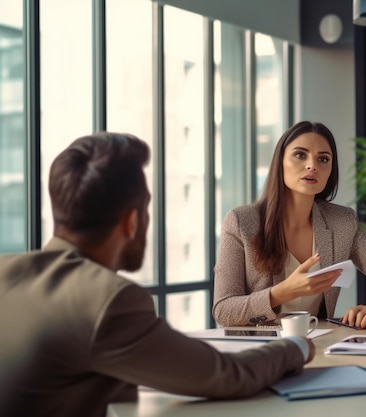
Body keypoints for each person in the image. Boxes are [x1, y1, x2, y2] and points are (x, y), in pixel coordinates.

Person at [0, 133, 314, 417]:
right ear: (131, 221)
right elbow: (228, 375)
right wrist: (297, 346)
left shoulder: (6, 271)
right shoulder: (108, 301)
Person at [213, 121, 366, 329]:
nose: (312, 165)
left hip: (317, 348)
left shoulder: (342, 222)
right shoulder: (241, 222)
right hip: (259, 353)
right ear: (280, 162)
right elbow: (223, 310)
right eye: (300, 155)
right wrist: (283, 292)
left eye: (323, 159)